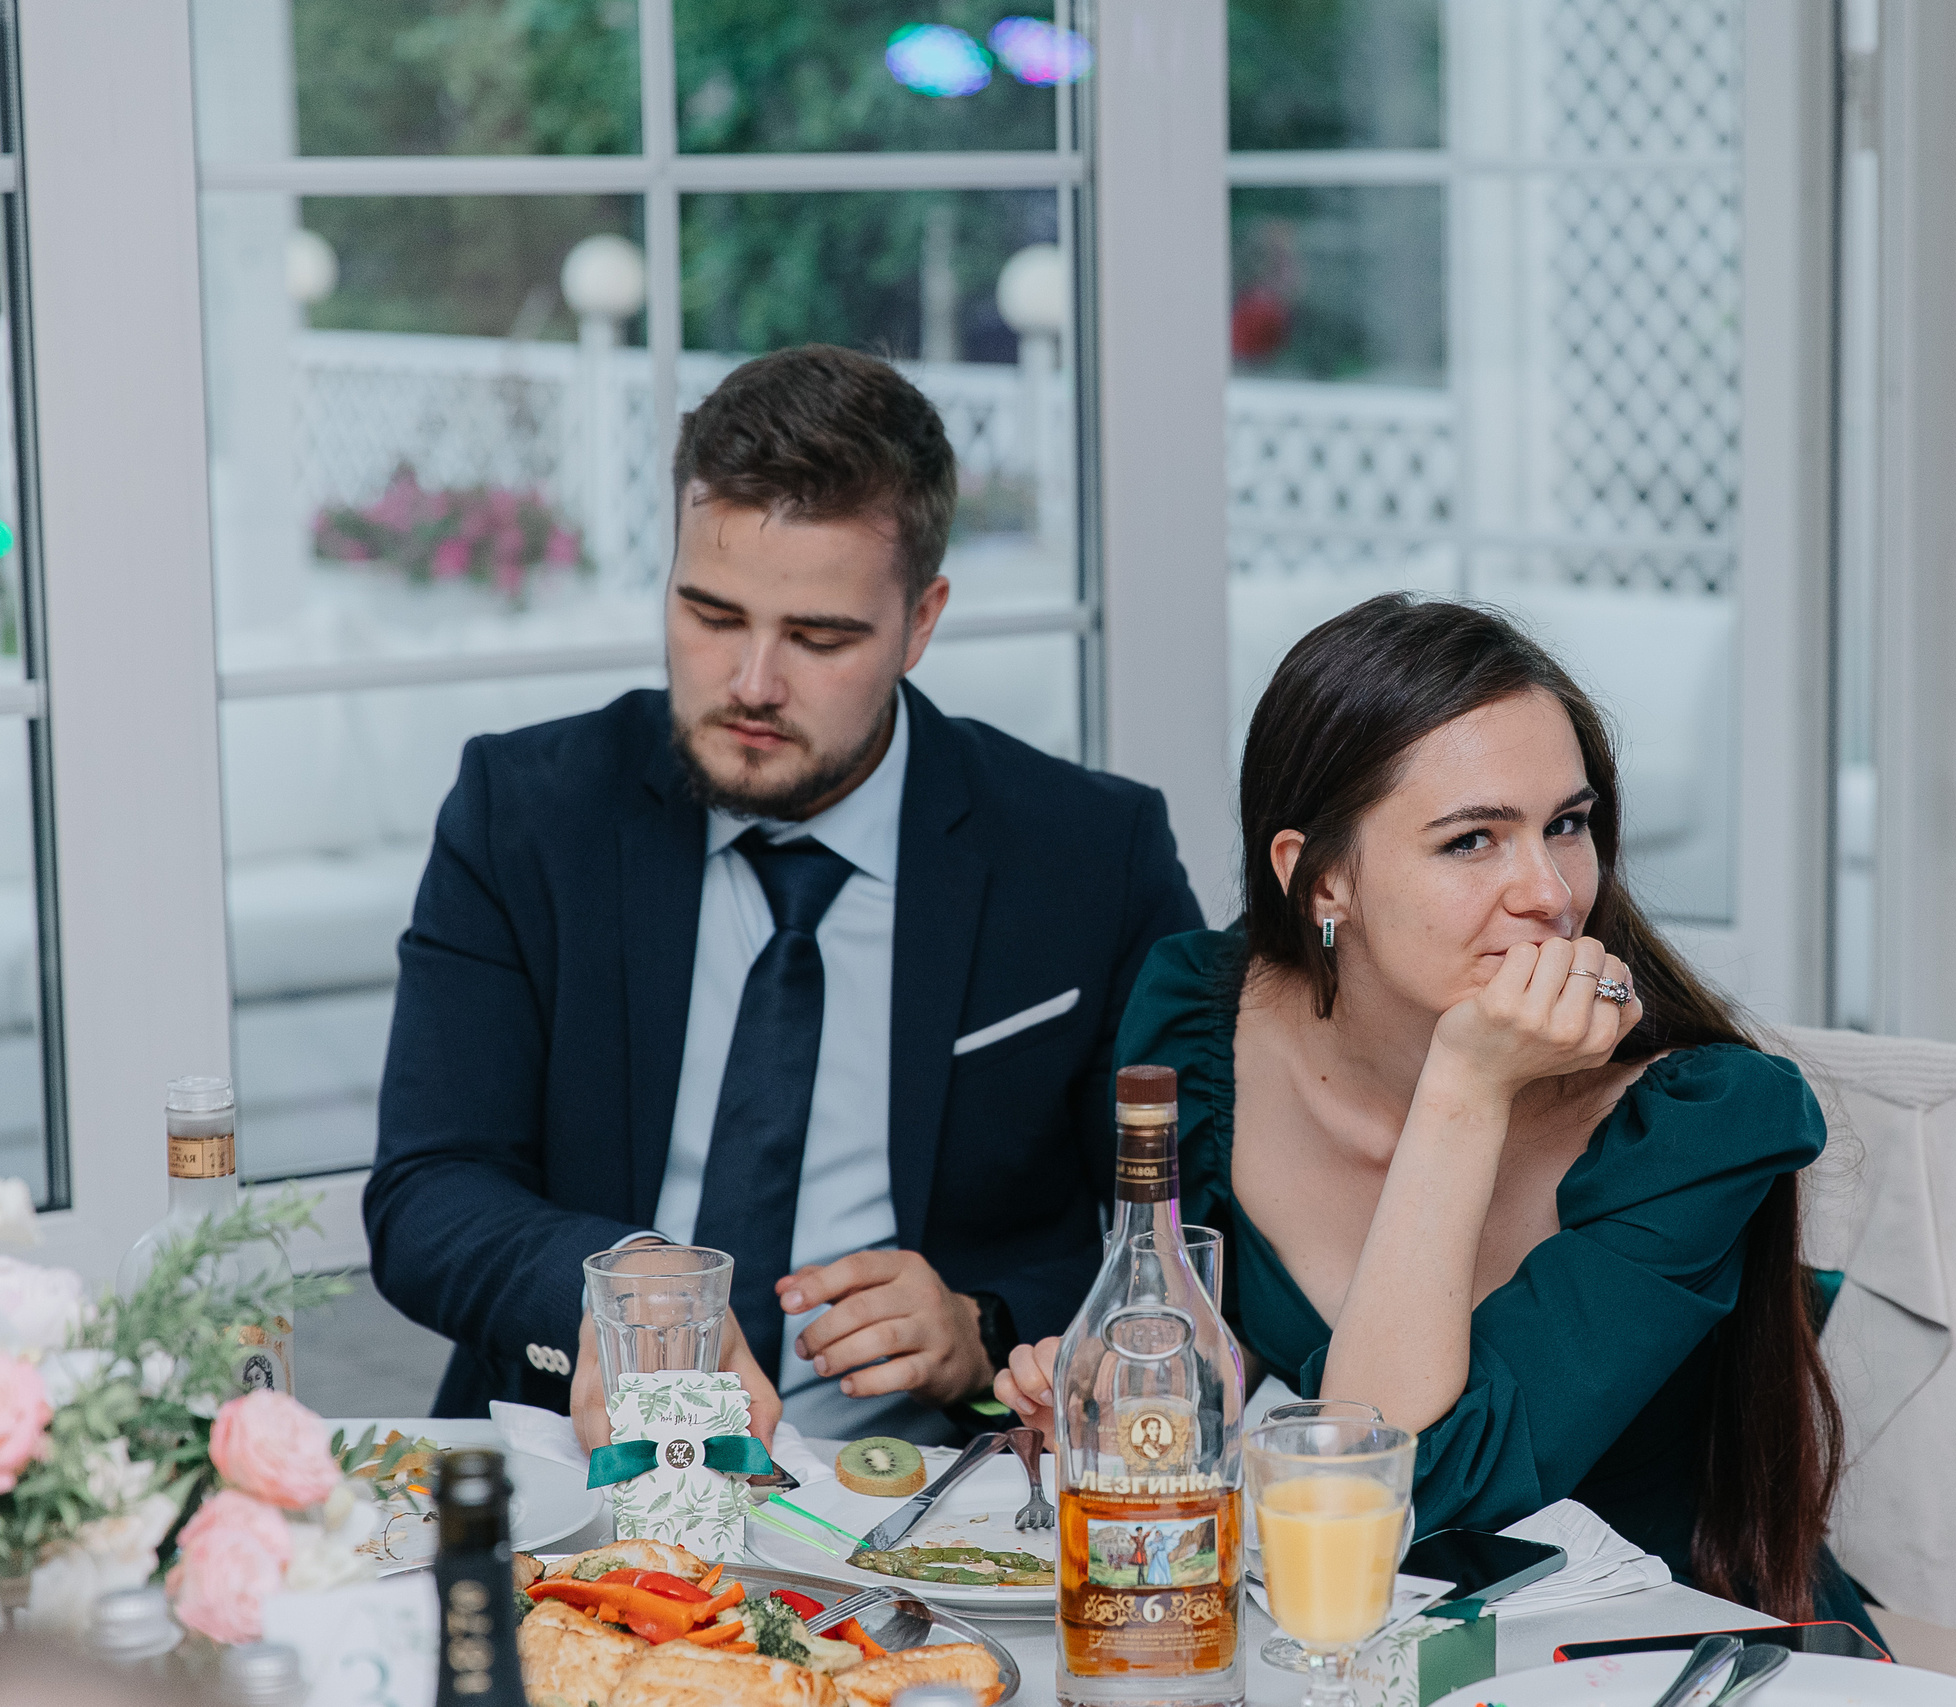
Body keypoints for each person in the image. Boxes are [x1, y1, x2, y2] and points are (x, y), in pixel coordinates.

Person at [366, 345, 1204, 1447]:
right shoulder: (525, 815)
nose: (752, 684)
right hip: (578, 1477)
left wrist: (984, 1329)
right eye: (711, 616)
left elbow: (1198, 1234)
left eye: (818, 638)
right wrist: (615, 1284)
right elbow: (428, 1190)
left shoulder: (1089, 854)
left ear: (921, 622)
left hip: (937, 1498)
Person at [1000, 594, 1868, 1629]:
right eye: (1472, 842)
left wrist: (1464, 1090)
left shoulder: (1699, 1124)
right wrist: (1139, 1396)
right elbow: (1246, 1368)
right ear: (1319, 880)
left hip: (1660, 1658)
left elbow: (1390, 1489)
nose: (1548, 891)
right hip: (1342, 1646)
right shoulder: (1199, 1020)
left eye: (1568, 825)